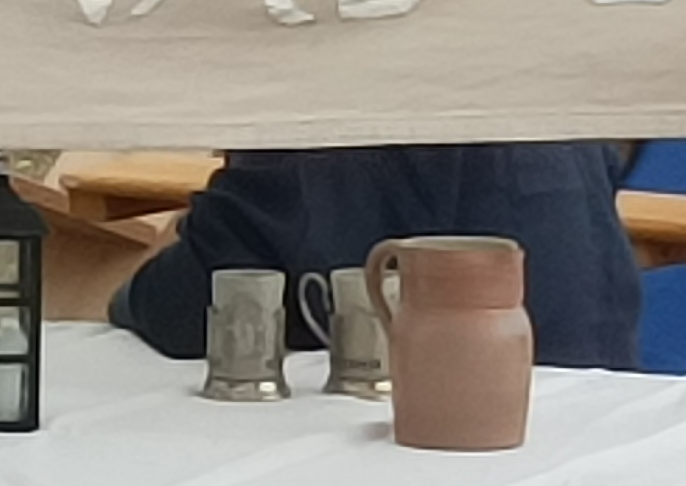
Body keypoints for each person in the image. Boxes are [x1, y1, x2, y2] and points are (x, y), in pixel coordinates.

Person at [110, 142, 643, 373]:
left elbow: (186, 311)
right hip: (591, 428)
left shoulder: (317, 126)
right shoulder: (556, 113)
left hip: (409, 465)